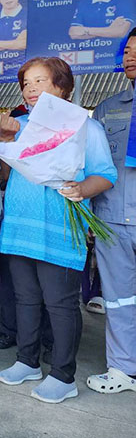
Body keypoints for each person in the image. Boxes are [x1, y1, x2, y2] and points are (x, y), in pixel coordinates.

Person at [0, 57, 116, 403]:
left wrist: (82, 188)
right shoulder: (19, 125)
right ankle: (27, 361)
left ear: (62, 86)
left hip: (60, 228)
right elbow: (5, 176)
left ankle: (63, 376)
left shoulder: (85, 127)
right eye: (26, 83)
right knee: (25, 298)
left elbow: (106, 174)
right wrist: (5, 140)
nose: (30, 89)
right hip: (20, 226)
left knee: (60, 304)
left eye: (40, 81)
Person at [88, 28, 136, 393]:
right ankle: (123, 369)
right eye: (128, 50)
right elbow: (94, 164)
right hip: (113, 220)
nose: (130, 57)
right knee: (119, 298)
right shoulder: (108, 108)